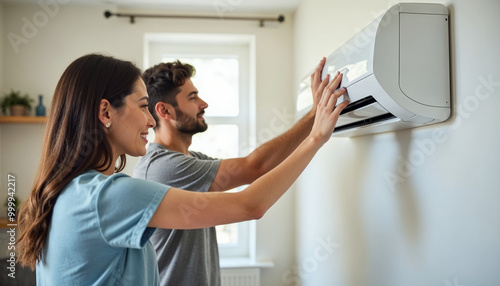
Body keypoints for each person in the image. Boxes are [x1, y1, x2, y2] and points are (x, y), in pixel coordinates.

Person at [16, 53, 347, 285]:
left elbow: (253, 170)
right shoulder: (109, 196)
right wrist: (316, 135)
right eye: (143, 107)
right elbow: (250, 204)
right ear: (106, 111)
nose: (150, 120)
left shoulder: (71, 192)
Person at [134, 58, 343, 285]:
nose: (203, 104)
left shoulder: (191, 160)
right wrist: (314, 122)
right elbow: (255, 172)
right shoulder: (162, 168)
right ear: (165, 110)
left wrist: (315, 118)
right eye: (192, 98)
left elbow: (257, 167)